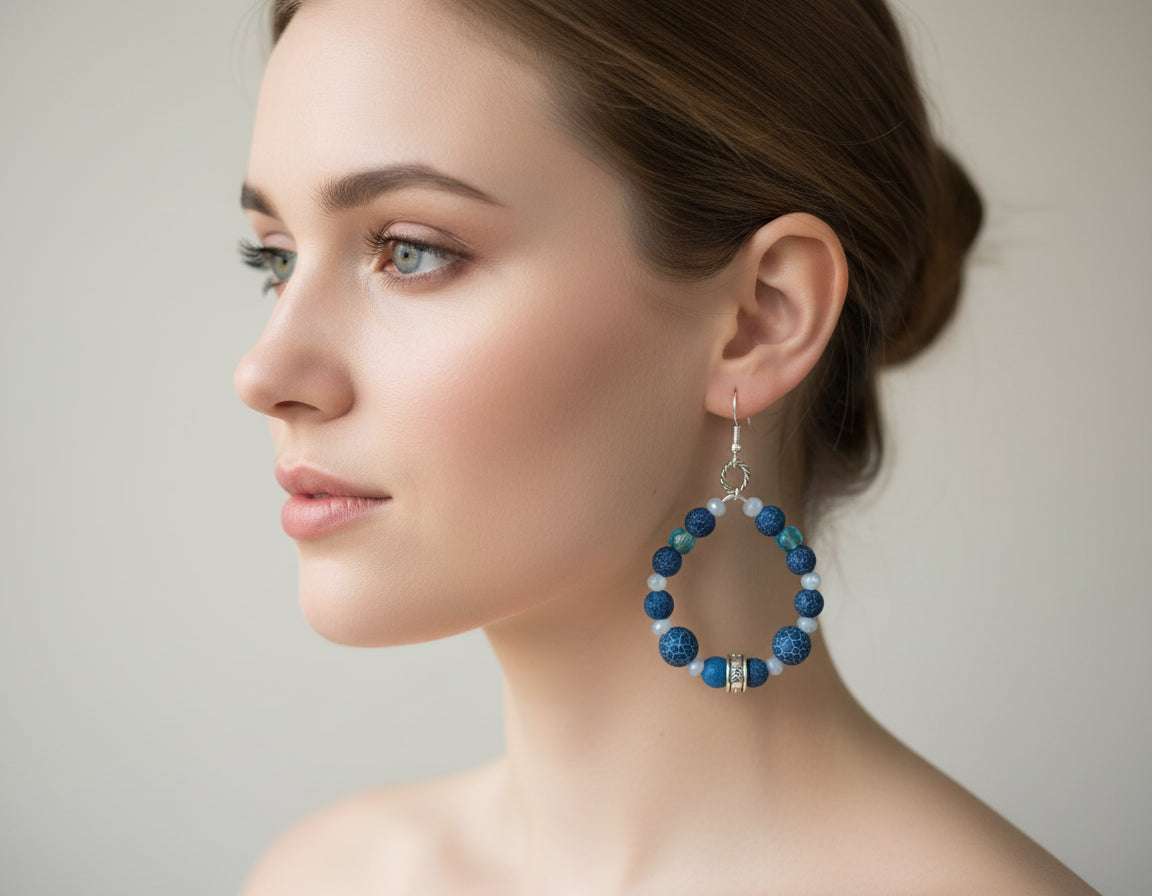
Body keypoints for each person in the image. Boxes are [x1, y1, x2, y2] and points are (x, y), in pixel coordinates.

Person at [233, 0, 1099, 891]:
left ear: (759, 320)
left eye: (409, 252)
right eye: (274, 259)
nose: (265, 373)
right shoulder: (323, 875)